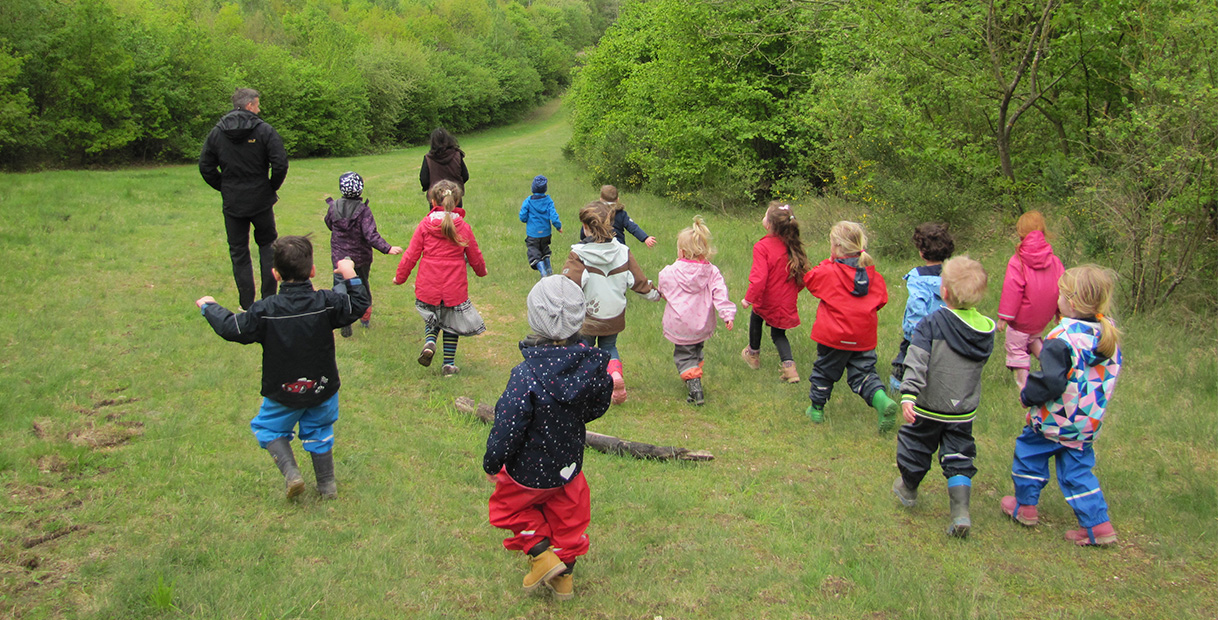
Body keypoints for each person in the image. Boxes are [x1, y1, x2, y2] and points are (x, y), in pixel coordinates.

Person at [195, 235, 369, 500]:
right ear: (312, 271)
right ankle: (327, 487)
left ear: (275, 274)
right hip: (322, 387)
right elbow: (358, 304)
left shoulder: (265, 310)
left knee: (268, 429)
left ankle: (292, 474)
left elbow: (233, 328)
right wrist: (350, 274)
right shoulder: (325, 302)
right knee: (319, 431)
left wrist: (209, 307)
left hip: (283, 391)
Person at [484, 275, 613, 601]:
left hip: (527, 470)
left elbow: (507, 423)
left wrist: (493, 461)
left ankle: (541, 555)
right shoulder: (589, 366)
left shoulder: (526, 374)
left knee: (510, 509)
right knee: (568, 518)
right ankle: (563, 581)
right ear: (578, 318)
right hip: (568, 466)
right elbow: (598, 404)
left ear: (534, 319)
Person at [1000, 265, 1123, 547]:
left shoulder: (1062, 338)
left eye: (1060, 294)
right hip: (1086, 422)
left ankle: (1025, 506)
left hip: (1053, 420)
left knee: (1029, 454)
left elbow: (1050, 382)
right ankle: (1097, 525)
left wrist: (1027, 396)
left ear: (1071, 301)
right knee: (1078, 472)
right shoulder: (1107, 335)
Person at [891, 256, 995, 538]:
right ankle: (960, 512)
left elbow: (917, 359)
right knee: (960, 455)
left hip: (928, 406)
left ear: (944, 292)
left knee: (915, 446)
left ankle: (908, 488)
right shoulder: (986, 329)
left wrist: (909, 393)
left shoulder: (931, 324)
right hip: (963, 409)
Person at [562, 201, 662, 404]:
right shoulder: (623, 252)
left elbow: (567, 287)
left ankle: (585, 387)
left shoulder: (579, 255)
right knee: (609, 347)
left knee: (584, 349)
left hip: (588, 317)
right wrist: (657, 294)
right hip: (614, 316)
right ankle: (615, 375)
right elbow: (639, 283)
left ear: (586, 227)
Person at [199, 88, 289, 311]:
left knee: (239, 251)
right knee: (268, 246)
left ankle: (247, 305)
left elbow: (205, 166)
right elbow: (280, 163)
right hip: (258, 199)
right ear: (249, 105)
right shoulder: (264, 130)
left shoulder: (217, 133)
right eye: (257, 105)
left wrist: (225, 187)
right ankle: (268, 301)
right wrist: (269, 187)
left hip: (235, 201)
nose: (259, 110)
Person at [803, 221, 898, 432]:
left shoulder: (829, 272)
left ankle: (816, 409)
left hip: (834, 335)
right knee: (863, 374)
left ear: (836, 246)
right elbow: (881, 301)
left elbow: (809, 280)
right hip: (863, 337)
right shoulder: (874, 276)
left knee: (825, 371)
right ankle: (882, 400)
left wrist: (828, 263)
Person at [393, 180, 487, 376]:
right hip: (454, 288)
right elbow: (475, 254)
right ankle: (448, 365)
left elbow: (411, 254)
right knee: (452, 323)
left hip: (429, 285)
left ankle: (429, 342)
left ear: (433, 200)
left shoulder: (425, 225)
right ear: (457, 200)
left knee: (432, 316)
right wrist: (481, 271)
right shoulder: (463, 226)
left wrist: (400, 278)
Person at [657, 216, 736, 405]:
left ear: (682, 251)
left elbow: (663, 287)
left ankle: (694, 385)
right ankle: (695, 376)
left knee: (684, 354)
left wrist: (662, 294)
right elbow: (720, 293)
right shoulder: (711, 271)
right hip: (701, 324)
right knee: (696, 349)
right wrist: (727, 314)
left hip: (680, 323)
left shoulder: (671, 270)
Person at [324, 171, 403, 338]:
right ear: (360, 190)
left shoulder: (333, 207)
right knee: (360, 284)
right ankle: (364, 317)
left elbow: (329, 223)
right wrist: (387, 248)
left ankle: (343, 316)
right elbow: (370, 235)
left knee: (340, 284)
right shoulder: (363, 211)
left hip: (339, 256)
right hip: (360, 258)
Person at [741, 202, 811, 383]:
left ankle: (753, 354)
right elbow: (804, 276)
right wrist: (792, 291)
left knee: (756, 317)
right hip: (786, 301)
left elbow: (759, 278)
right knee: (779, 334)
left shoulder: (762, 247)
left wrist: (749, 299)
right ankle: (790, 369)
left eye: (765, 216)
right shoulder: (792, 246)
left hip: (767, 299)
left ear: (769, 224)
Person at [997, 210, 1065, 390]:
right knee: (1033, 338)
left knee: (1016, 346)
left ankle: (1025, 387)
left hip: (1022, 319)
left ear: (1020, 233)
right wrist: (1060, 313)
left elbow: (1013, 289)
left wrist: (1004, 317)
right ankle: (1053, 368)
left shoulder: (1017, 261)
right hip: (1043, 317)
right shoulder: (1054, 260)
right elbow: (1062, 286)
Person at [889, 223, 955, 391]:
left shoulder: (917, 277)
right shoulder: (954, 274)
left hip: (921, 333)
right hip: (948, 333)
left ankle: (898, 388)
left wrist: (912, 333)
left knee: (905, 365)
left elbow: (916, 305)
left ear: (921, 252)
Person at [579, 185, 656, 247]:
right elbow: (632, 226)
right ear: (617, 199)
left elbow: (586, 227)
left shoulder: (595, 213)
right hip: (618, 247)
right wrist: (645, 238)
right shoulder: (621, 213)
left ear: (600, 199)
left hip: (597, 244)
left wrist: (583, 239)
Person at [519, 174, 563, 277]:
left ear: (533, 188)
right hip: (546, 233)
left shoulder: (528, 201)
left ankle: (542, 270)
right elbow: (554, 215)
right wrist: (558, 226)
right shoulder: (548, 200)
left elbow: (522, 216)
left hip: (533, 234)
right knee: (544, 249)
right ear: (545, 189)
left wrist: (526, 220)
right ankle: (548, 267)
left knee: (533, 251)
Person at [419, 127, 469, 202]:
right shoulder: (457, 155)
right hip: (454, 198)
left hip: (436, 198)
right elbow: (465, 176)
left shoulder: (428, 158)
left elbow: (424, 180)